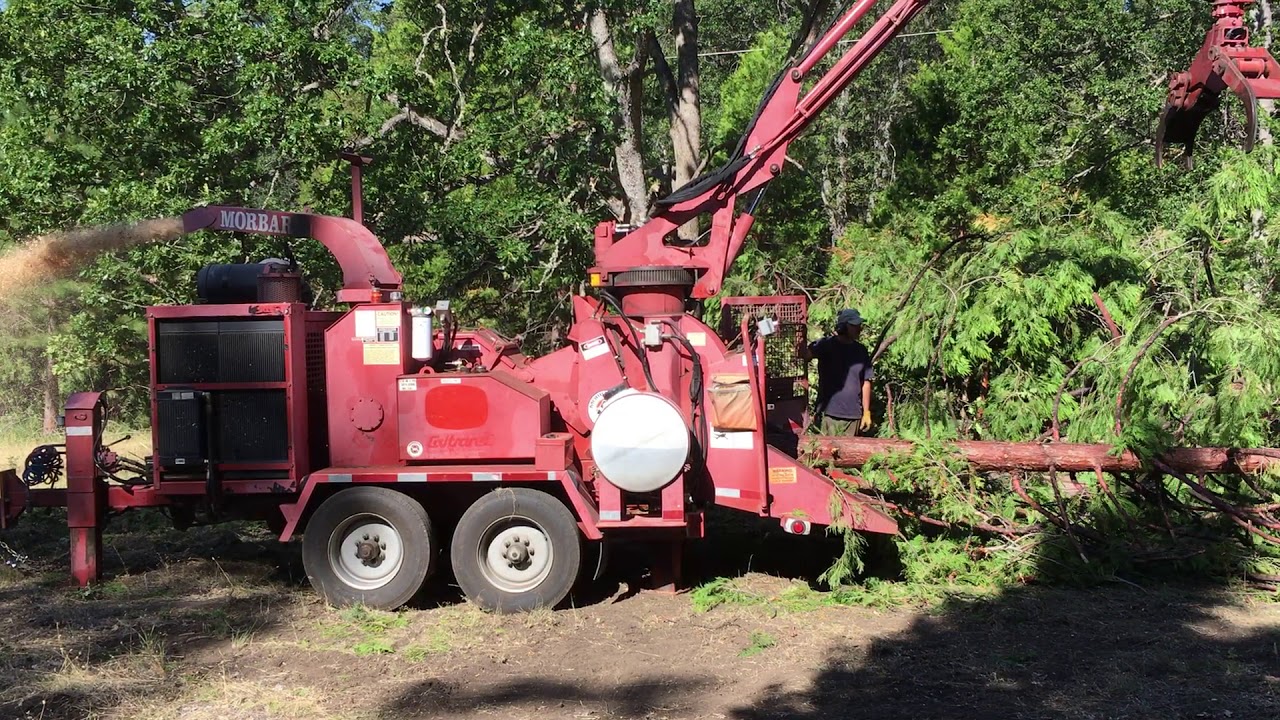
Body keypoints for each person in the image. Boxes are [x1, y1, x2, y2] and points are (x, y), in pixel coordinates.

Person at [798, 308, 874, 435]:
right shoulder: (826, 345)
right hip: (828, 413)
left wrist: (866, 412)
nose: (859, 328)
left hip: (853, 415)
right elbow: (805, 355)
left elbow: (866, 382)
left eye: (859, 325)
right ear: (843, 327)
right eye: (854, 325)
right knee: (827, 451)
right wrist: (800, 337)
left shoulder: (861, 351)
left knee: (849, 452)